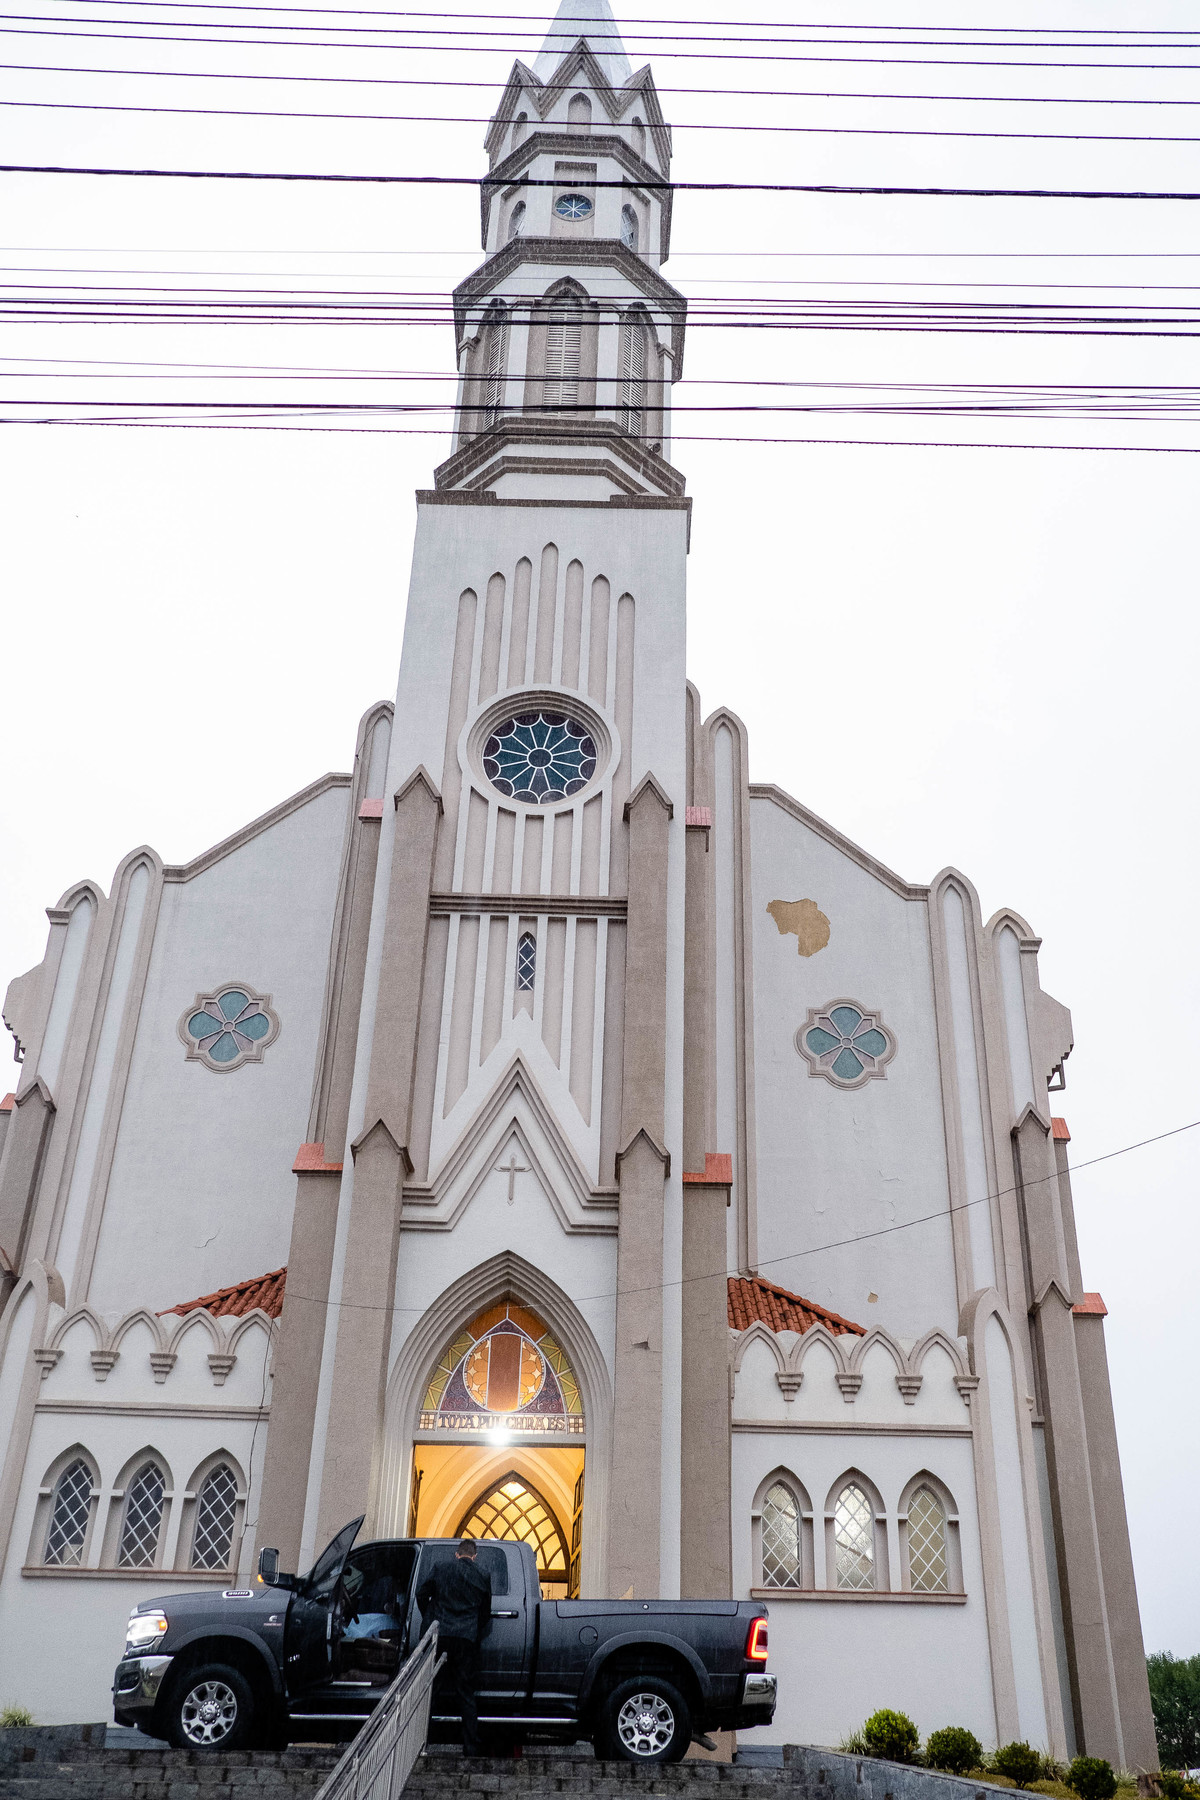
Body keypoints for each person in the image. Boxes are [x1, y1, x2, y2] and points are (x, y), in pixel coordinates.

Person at [416, 1537, 494, 1757]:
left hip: (442, 1634)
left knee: (433, 1690)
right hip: (466, 1638)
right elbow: (485, 1612)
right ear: (474, 1556)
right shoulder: (482, 1575)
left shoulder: (442, 1568)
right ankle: (470, 1747)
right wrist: (472, 1628)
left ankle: (423, 1743)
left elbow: (421, 1594)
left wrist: (431, 1617)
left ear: (457, 1554)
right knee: (466, 1693)